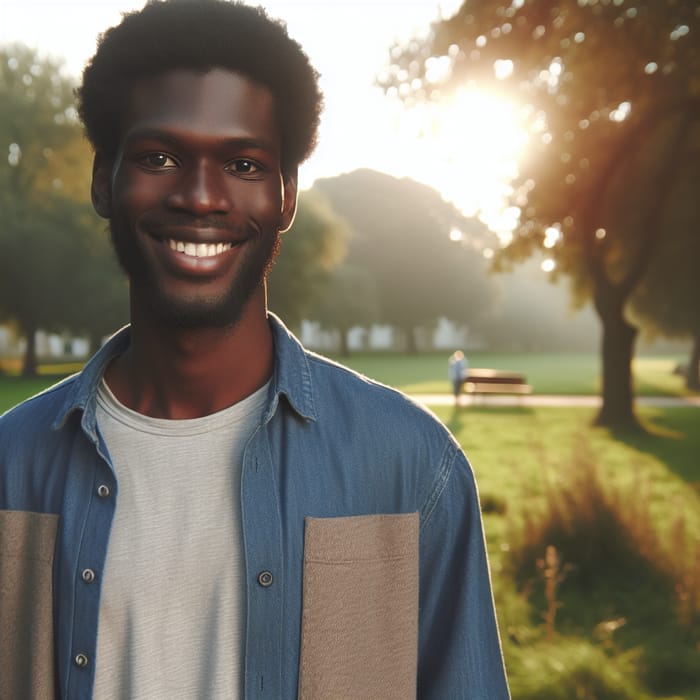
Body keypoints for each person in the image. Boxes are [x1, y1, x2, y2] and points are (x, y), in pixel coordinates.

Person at [0, 2, 510, 698]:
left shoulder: (414, 469)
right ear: (102, 180)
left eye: (242, 162)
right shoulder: (9, 467)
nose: (201, 196)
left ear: (287, 195)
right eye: (158, 157)